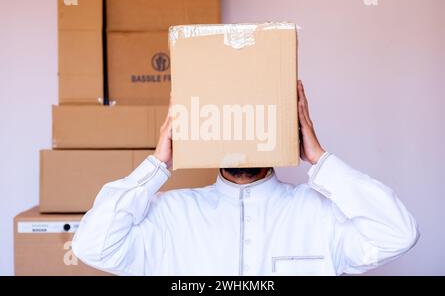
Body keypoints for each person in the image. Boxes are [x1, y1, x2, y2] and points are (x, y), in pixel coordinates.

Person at [72, 81, 419, 276]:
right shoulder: (171, 216)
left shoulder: (319, 215)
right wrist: (157, 163)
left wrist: (320, 159)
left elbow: (398, 234)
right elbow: (92, 246)